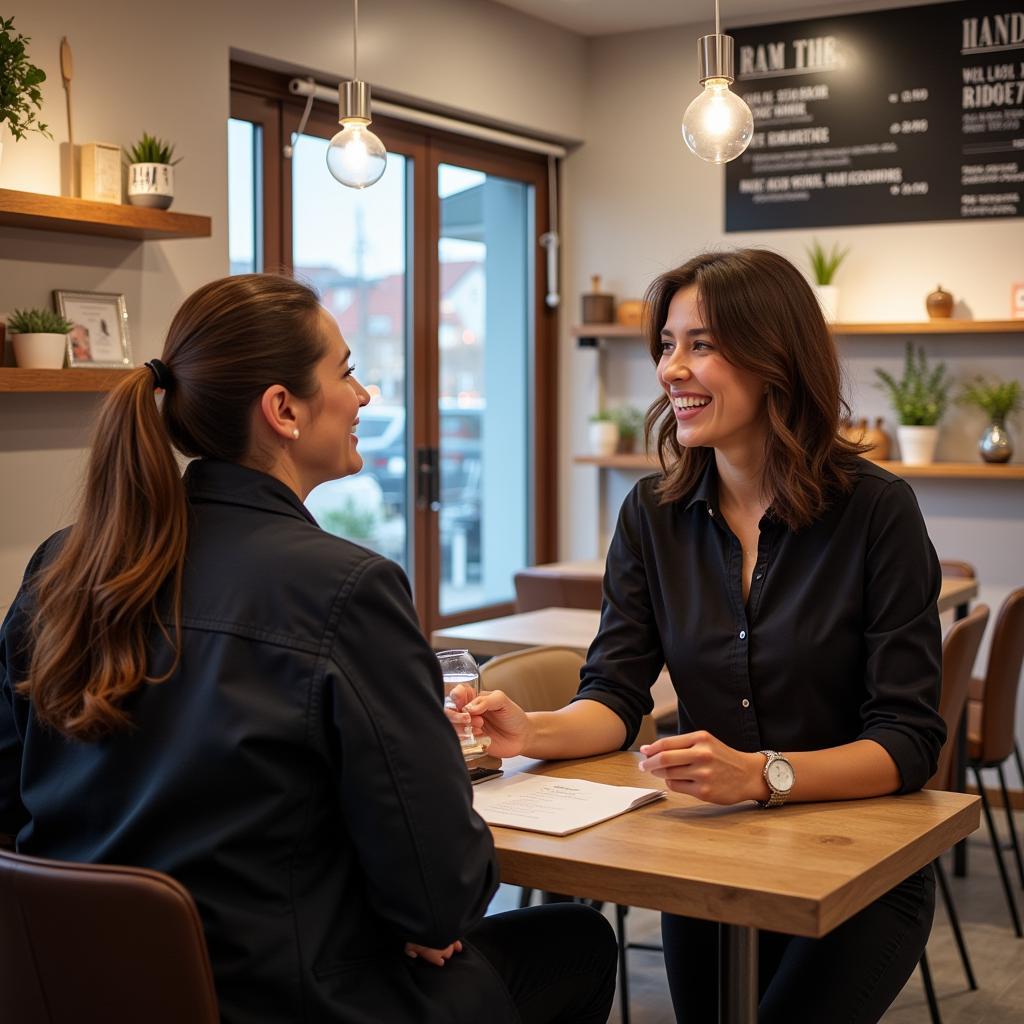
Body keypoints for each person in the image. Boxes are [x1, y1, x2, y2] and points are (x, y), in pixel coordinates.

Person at [0, 274, 616, 1024]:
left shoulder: (64, 564)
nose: (363, 397)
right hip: (293, 998)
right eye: (348, 371)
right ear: (283, 410)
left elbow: (11, 794)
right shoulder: (344, 589)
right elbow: (440, 895)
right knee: (576, 943)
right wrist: (416, 917)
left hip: (77, 990)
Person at [458, 249, 946, 1023]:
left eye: (702, 345)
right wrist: (532, 730)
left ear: (775, 356)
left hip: (864, 864)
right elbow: (617, 695)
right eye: (666, 345)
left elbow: (909, 739)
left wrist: (762, 776)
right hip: (708, 851)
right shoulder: (651, 513)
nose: (670, 370)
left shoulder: (876, 512)